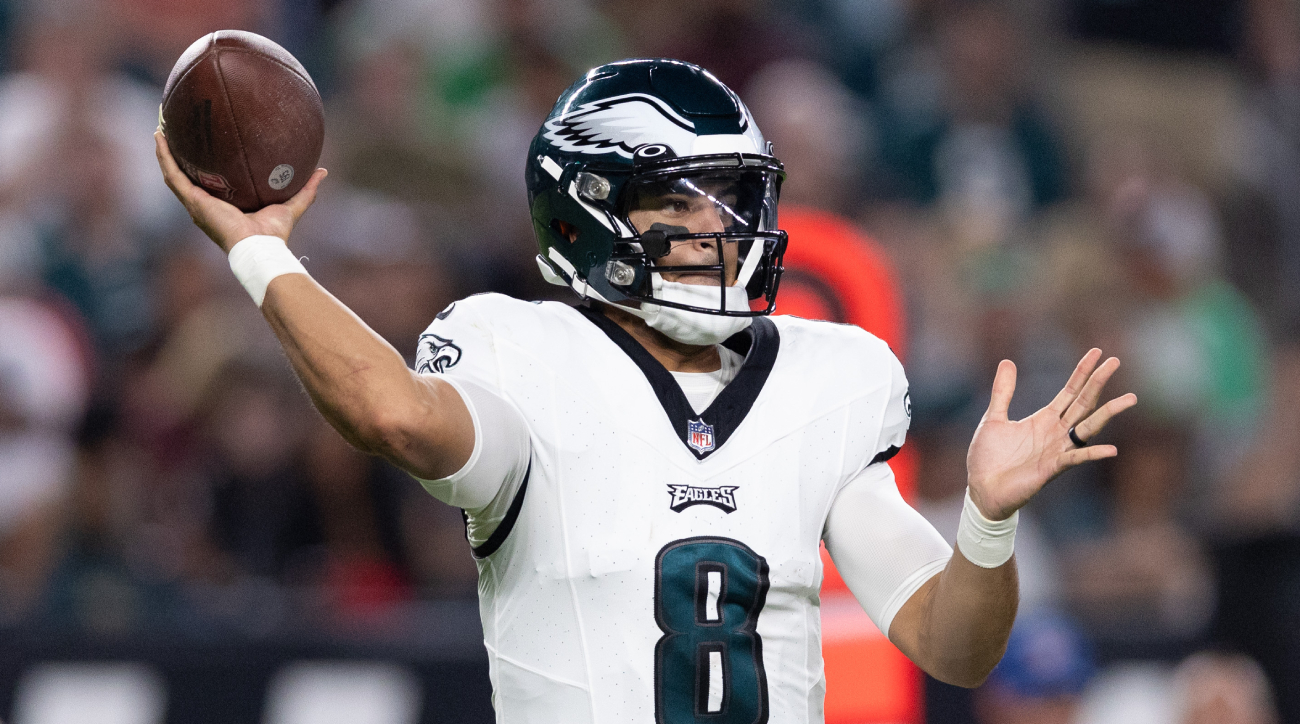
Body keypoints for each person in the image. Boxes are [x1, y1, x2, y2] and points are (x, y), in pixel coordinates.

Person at [154, 58, 1135, 724]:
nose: (721, 228)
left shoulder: (832, 375)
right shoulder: (515, 348)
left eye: (733, 197)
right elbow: (390, 413)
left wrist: (989, 523)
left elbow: (952, 645)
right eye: (682, 198)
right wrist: (260, 251)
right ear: (586, 214)